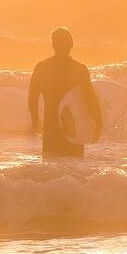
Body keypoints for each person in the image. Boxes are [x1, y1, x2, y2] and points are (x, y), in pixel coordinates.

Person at [28, 27, 100, 157]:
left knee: (51, 171)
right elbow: (91, 99)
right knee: (74, 171)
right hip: (74, 127)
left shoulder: (42, 67)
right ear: (71, 45)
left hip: (50, 128)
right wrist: (98, 124)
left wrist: (35, 121)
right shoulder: (79, 69)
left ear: (53, 45)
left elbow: (32, 97)